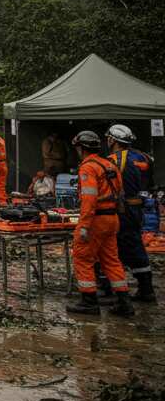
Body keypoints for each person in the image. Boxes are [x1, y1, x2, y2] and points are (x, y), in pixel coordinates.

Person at [67, 130, 134, 317]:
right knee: (112, 260)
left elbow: (89, 199)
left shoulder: (88, 167)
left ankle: (88, 301)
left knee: (83, 258)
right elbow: (120, 194)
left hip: (95, 219)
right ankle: (124, 302)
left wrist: (84, 226)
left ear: (81, 148)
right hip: (112, 219)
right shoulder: (109, 164)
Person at [106, 124, 155, 303]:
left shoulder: (114, 160)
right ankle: (145, 287)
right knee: (134, 244)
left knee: (117, 246)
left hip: (122, 209)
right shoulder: (144, 157)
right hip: (139, 208)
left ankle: (121, 291)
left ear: (113, 140)